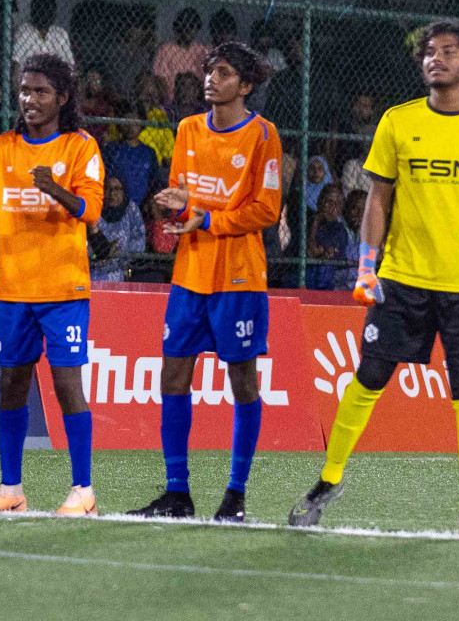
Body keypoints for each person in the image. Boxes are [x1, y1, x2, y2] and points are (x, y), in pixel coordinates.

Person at [290, 21, 459, 535]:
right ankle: (328, 481)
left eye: (448, 52)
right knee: (370, 375)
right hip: (402, 278)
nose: (434, 59)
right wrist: (365, 267)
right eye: (428, 52)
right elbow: (378, 198)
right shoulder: (398, 122)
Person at [0, 54, 103, 516]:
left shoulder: (80, 146)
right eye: (25, 90)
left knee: (68, 385)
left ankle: (83, 489)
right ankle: (11, 489)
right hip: (12, 290)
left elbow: (90, 210)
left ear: (62, 98)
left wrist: (55, 189)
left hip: (63, 290)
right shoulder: (1, 146)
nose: (29, 99)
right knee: (11, 386)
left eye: (41, 91)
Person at [129, 42, 279, 524]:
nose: (212, 80)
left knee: (242, 382)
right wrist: (169, 205)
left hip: (238, 276)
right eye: (210, 71)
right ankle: (178, 493)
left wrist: (204, 218)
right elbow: (182, 194)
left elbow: (266, 210)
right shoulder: (188, 128)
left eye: (225, 73)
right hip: (190, 275)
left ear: (246, 85)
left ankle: (235, 496)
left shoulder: (263, 136)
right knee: (173, 377)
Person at [90, 175, 145, 284]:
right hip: (92, 272)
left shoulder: (131, 209)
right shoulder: (94, 208)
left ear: (124, 191)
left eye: (117, 189)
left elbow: (139, 240)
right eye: (108, 189)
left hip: (119, 272)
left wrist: (120, 253)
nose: (112, 193)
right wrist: (103, 252)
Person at [11, 0, 75, 72]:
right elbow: (15, 62)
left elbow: (70, 64)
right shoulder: (24, 30)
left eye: (49, 11)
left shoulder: (60, 33)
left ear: (54, 14)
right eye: (41, 10)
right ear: (33, 12)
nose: (45, 14)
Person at [104, 117, 158, 208]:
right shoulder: (111, 149)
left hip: (142, 205)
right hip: (114, 203)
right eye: (125, 122)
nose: (130, 127)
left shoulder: (149, 152)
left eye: (135, 123)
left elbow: (154, 181)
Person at [303, 183, 348, 290]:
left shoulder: (338, 229)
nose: (326, 205)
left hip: (323, 280)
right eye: (325, 200)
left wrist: (315, 223)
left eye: (333, 203)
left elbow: (312, 252)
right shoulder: (308, 219)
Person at [152, 8, 211, 88]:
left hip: (196, 94)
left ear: (197, 29)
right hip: (172, 95)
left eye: (192, 26)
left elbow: (206, 78)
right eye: (185, 24)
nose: (188, 29)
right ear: (178, 27)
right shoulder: (166, 49)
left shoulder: (202, 50)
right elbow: (160, 78)